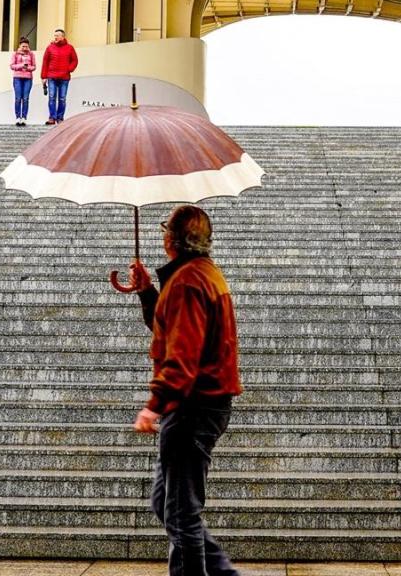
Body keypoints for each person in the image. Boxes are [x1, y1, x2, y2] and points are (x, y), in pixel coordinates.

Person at [124, 205, 242, 576]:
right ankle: (222, 571)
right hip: (202, 403)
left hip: (193, 406)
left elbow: (182, 357)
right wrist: (147, 292)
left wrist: (153, 405)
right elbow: (174, 330)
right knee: (166, 501)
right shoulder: (199, 275)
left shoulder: (189, 283)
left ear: (170, 241)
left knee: (180, 512)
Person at [40, 28, 78, 124]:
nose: (55, 37)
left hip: (64, 78)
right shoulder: (49, 48)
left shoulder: (70, 48)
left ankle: (60, 118)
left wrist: (69, 69)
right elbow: (45, 62)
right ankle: (52, 118)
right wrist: (43, 77)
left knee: (62, 98)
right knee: (52, 97)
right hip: (51, 77)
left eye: (57, 35)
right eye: (55, 35)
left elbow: (74, 60)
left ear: (63, 37)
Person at [9, 38, 36, 126]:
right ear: (19, 46)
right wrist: (21, 65)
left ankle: (24, 117)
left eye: (26, 46)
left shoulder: (31, 54)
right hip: (17, 78)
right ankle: (17, 117)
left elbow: (34, 67)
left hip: (28, 78)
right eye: (23, 46)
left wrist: (27, 67)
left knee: (25, 98)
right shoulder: (15, 54)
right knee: (18, 98)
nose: (25, 48)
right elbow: (12, 66)